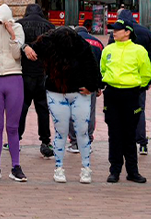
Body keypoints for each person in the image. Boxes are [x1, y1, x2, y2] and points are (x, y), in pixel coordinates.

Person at [30, 26, 101, 184]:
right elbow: (92, 65)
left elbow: (91, 65)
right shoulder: (79, 44)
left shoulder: (54, 44)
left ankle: (67, 168)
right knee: (76, 132)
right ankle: (78, 169)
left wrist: (92, 85)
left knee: (64, 132)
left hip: (64, 91)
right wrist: (92, 85)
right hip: (71, 92)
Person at [101, 19, 151, 183]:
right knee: (114, 134)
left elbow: (145, 73)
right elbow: (103, 69)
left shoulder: (139, 50)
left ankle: (132, 171)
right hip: (112, 94)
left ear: (127, 32)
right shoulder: (108, 49)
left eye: (117, 30)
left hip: (131, 94)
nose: (113, 32)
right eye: (113, 29)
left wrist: (137, 88)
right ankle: (114, 170)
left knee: (130, 134)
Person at [0, 4, 26, 182]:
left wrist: (12, 33)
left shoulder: (18, 28)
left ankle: (16, 166)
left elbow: (17, 54)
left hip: (14, 77)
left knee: (13, 127)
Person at [110, 9, 151, 156]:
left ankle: (122, 143)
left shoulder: (116, 34)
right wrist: (148, 80)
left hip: (119, 83)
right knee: (139, 110)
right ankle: (142, 143)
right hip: (138, 82)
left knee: (119, 114)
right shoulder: (146, 32)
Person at [18, 3, 55, 158]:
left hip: (23, 73)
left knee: (22, 108)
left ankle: (15, 139)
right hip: (42, 74)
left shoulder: (19, 25)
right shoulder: (49, 26)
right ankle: (45, 141)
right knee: (43, 109)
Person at [69, 18, 103, 152]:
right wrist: (99, 86)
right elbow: (101, 66)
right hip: (91, 84)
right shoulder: (98, 43)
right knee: (90, 112)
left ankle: (75, 143)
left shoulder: (70, 42)